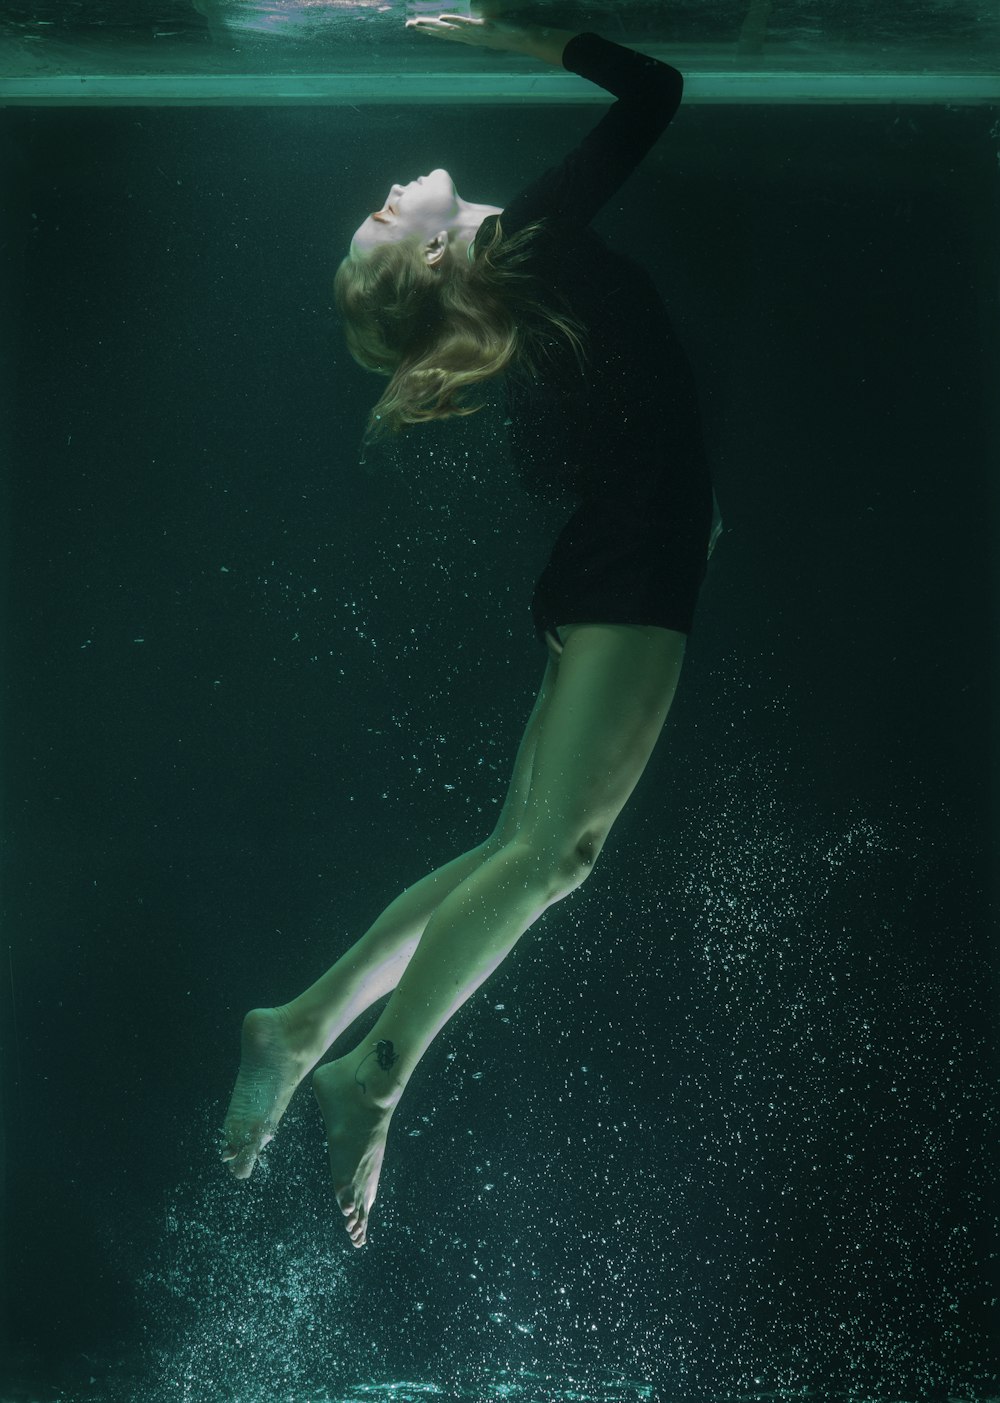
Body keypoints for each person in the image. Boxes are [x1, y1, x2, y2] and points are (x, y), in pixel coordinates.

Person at [221, 16, 722, 1249]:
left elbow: (603, 439)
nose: (387, 193)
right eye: (383, 221)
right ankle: (372, 1071)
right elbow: (655, 90)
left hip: (615, 568)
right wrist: (528, 34)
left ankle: (302, 1026)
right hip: (630, 569)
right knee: (551, 855)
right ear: (435, 254)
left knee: (526, 845)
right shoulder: (524, 239)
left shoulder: (520, 276)